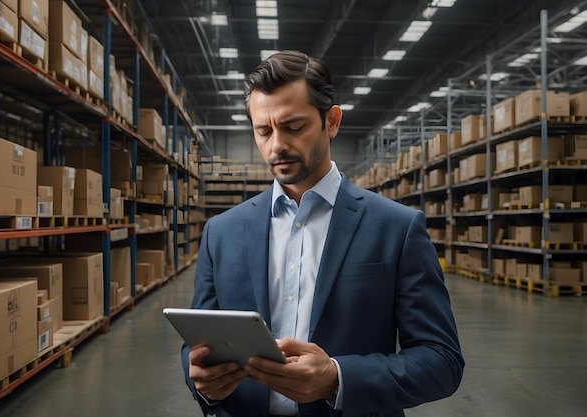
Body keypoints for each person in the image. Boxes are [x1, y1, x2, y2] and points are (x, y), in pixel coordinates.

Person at [181, 50, 464, 417]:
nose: (276, 145)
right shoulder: (221, 232)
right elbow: (198, 343)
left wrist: (337, 378)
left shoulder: (396, 227)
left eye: (294, 127)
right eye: (263, 131)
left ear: (331, 122)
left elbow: (441, 360)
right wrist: (200, 379)